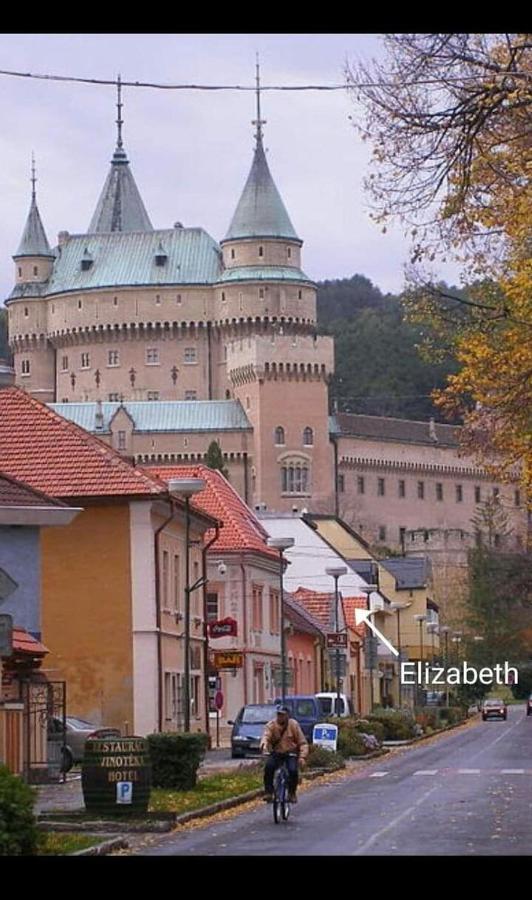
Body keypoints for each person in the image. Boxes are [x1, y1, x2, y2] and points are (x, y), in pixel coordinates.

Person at [260, 706, 309, 803]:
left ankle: (291, 793)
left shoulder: (293, 725)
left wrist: (302, 757)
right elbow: (266, 736)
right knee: (269, 767)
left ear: (287, 716)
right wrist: (264, 745)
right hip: (276, 753)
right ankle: (268, 792)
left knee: (293, 770)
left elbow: (302, 743)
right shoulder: (271, 725)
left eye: (282, 715)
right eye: (278, 714)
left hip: (290, 753)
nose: (280, 717)